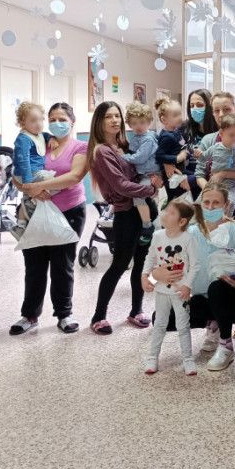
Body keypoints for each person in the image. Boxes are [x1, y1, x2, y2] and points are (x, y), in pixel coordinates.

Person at [9, 103, 87, 336]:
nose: (56, 123)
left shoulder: (80, 146)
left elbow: (74, 177)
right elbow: (17, 175)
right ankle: (29, 315)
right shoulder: (38, 141)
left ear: (72, 122)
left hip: (68, 211)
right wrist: (29, 190)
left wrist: (38, 187)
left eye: (62, 119)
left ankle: (64, 314)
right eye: (52, 119)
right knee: (34, 266)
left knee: (62, 266)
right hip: (35, 212)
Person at [87, 101, 163, 335]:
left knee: (142, 263)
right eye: (108, 117)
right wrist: (150, 189)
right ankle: (99, 316)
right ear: (99, 121)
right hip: (126, 212)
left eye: (117, 116)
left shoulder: (124, 144)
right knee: (120, 264)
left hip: (145, 208)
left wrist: (155, 181)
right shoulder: (102, 151)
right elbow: (120, 185)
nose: (114, 120)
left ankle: (136, 310)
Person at [179, 182, 235, 371]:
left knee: (217, 288)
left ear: (226, 205)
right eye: (206, 202)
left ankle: (226, 345)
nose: (210, 207)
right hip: (202, 297)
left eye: (216, 203)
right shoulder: (192, 233)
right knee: (165, 317)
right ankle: (213, 323)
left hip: (229, 297)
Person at [141, 200, 200, 376]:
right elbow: (150, 257)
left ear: (182, 221)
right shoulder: (157, 236)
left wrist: (187, 286)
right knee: (160, 324)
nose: (165, 214)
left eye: (171, 213)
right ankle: (152, 357)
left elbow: (195, 265)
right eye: (165, 210)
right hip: (161, 291)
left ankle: (188, 359)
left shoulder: (188, 239)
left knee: (183, 325)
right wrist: (145, 276)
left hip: (180, 292)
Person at [197, 91, 235, 237]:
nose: (221, 114)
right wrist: (213, 194)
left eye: (226, 109)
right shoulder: (209, 140)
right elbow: (199, 173)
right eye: (216, 110)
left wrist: (224, 174)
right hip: (212, 207)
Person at [11, 101, 58, 239]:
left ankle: (21, 225)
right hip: (27, 174)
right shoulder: (24, 138)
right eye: (33, 121)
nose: (38, 124)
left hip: (34, 173)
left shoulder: (39, 134)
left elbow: (45, 135)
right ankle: (30, 202)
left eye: (41, 120)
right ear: (22, 123)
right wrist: (28, 181)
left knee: (42, 189)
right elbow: (23, 160)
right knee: (56, 182)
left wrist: (51, 138)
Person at [122, 102, 160, 245]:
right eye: (134, 123)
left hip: (150, 174)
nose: (138, 126)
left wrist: (123, 156)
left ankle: (147, 226)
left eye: (142, 122)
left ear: (149, 122)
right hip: (142, 173)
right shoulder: (137, 137)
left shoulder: (148, 139)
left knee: (138, 197)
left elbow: (139, 158)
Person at [195, 114, 235, 214]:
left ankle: (225, 222)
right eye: (231, 135)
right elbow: (203, 158)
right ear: (221, 133)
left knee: (229, 204)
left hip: (231, 185)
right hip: (213, 184)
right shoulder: (215, 147)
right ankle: (199, 223)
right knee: (198, 205)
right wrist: (198, 154)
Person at [183, 89, 218, 202]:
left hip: (213, 188)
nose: (195, 109)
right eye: (191, 105)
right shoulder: (184, 128)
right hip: (187, 187)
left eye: (199, 105)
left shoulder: (219, 131)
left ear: (209, 106)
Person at [155, 97, 191, 201]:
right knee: (176, 201)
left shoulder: (174, 132)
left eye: (180, 114)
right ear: (164, 120)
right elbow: (159, 156)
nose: (180, 118)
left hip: (179, 171)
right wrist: (177, 158)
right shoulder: (167, 136)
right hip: (172, 175)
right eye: (175, 115)